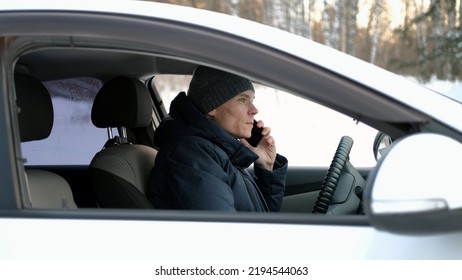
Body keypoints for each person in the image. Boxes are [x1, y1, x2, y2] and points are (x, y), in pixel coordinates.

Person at [148, 66, 287, 211]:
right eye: (242, 99)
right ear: (211, 106)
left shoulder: (220, 151)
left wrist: (267, 167)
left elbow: (261, 219)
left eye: (252, 100)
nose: (254, 110)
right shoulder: (191, 156)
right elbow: (222, 231)